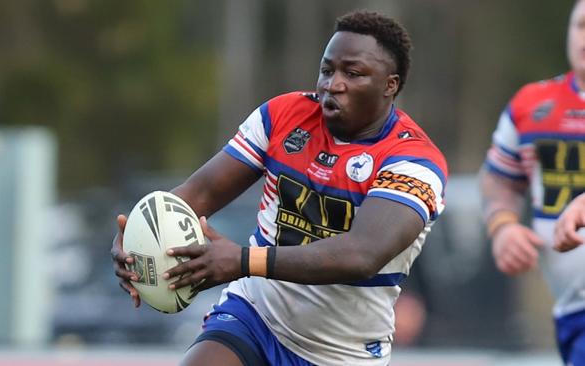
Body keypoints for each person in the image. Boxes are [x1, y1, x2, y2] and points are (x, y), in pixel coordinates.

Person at [112, 10, 447, 366]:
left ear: (390, 85)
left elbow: (361, 256)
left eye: (352, 73)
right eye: (327, 70)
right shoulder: (283, 116)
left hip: (340, 352)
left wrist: (242, 261)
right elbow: (200, 193)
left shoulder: (413, 162)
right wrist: (135, 235)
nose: (333, 84)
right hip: (255, 316)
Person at [479, 1, 585, 364]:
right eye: (581, 25)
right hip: (572, 309)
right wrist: (503, 225)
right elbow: (499, 179)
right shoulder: (532, 104)